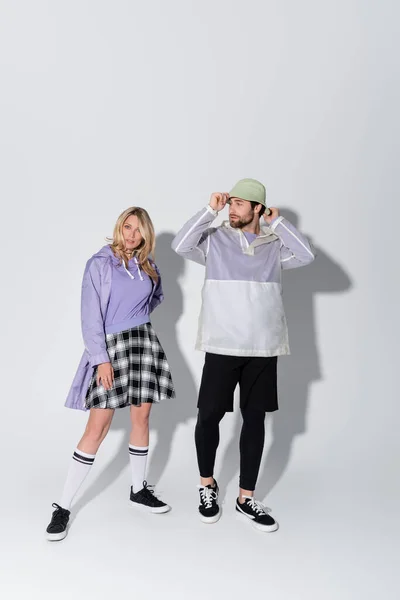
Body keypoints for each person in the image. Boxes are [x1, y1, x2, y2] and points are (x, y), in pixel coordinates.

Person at [172, 178, 315, 532]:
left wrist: (277, 222)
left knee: (255, 422)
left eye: (238, 204)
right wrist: (210, 210)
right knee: (208, 418)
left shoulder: (274, 246)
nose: (231, 209)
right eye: (230, 203)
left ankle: (245, 497)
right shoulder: (214, 240)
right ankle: (207, 485)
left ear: (257, 209)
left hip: (263, 348)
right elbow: (180, 244)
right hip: (221, 345)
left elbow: (307, 255)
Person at [46, 207, 175, 541]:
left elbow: (154, 299)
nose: (131, 235)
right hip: (111, 350)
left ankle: (138, 489)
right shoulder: (100, 264)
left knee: (142, 419)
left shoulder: (148, 266)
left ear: (146, 234)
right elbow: (90, 317)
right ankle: (63, 506)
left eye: (138, 229)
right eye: (126, 227)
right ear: (119, 229)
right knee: (97, 426)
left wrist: (137, 322)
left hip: (144, 344)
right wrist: (101, 359)